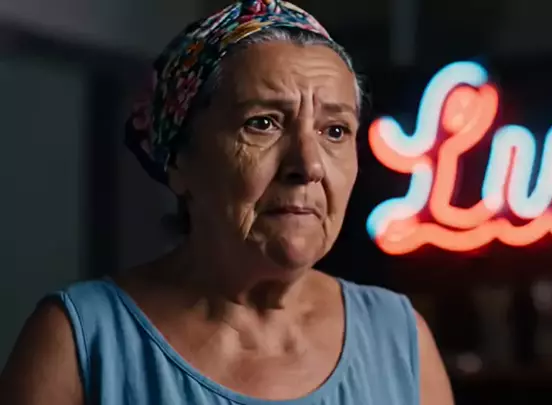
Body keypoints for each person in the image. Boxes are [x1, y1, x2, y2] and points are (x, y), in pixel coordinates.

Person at [0, 1, 454, 404]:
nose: (309, 165)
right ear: (180, 160)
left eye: (335, 131)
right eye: (263, 123)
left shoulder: (400, 338)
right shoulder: (77, 341)